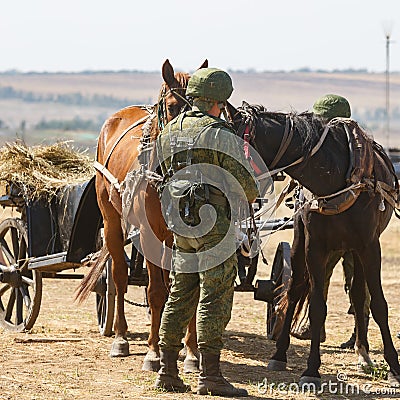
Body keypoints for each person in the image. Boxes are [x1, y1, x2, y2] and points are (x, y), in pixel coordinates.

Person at [154, 68, 259, 397]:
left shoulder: (171, 129)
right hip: (215, 225)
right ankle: (210, 375)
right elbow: (247, 187)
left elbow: (160, 169)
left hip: (181, 223)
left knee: (180, 292)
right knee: (214, 294)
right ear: (218, 101)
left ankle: (167, 371)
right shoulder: (219, 132)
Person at [291, 94, 370, 348]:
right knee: (348, 278)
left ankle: (358, 334)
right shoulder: (356, 146)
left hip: (338, 226)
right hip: (344, 226)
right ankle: (331, 330)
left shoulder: (339, 149)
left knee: (348, 279)